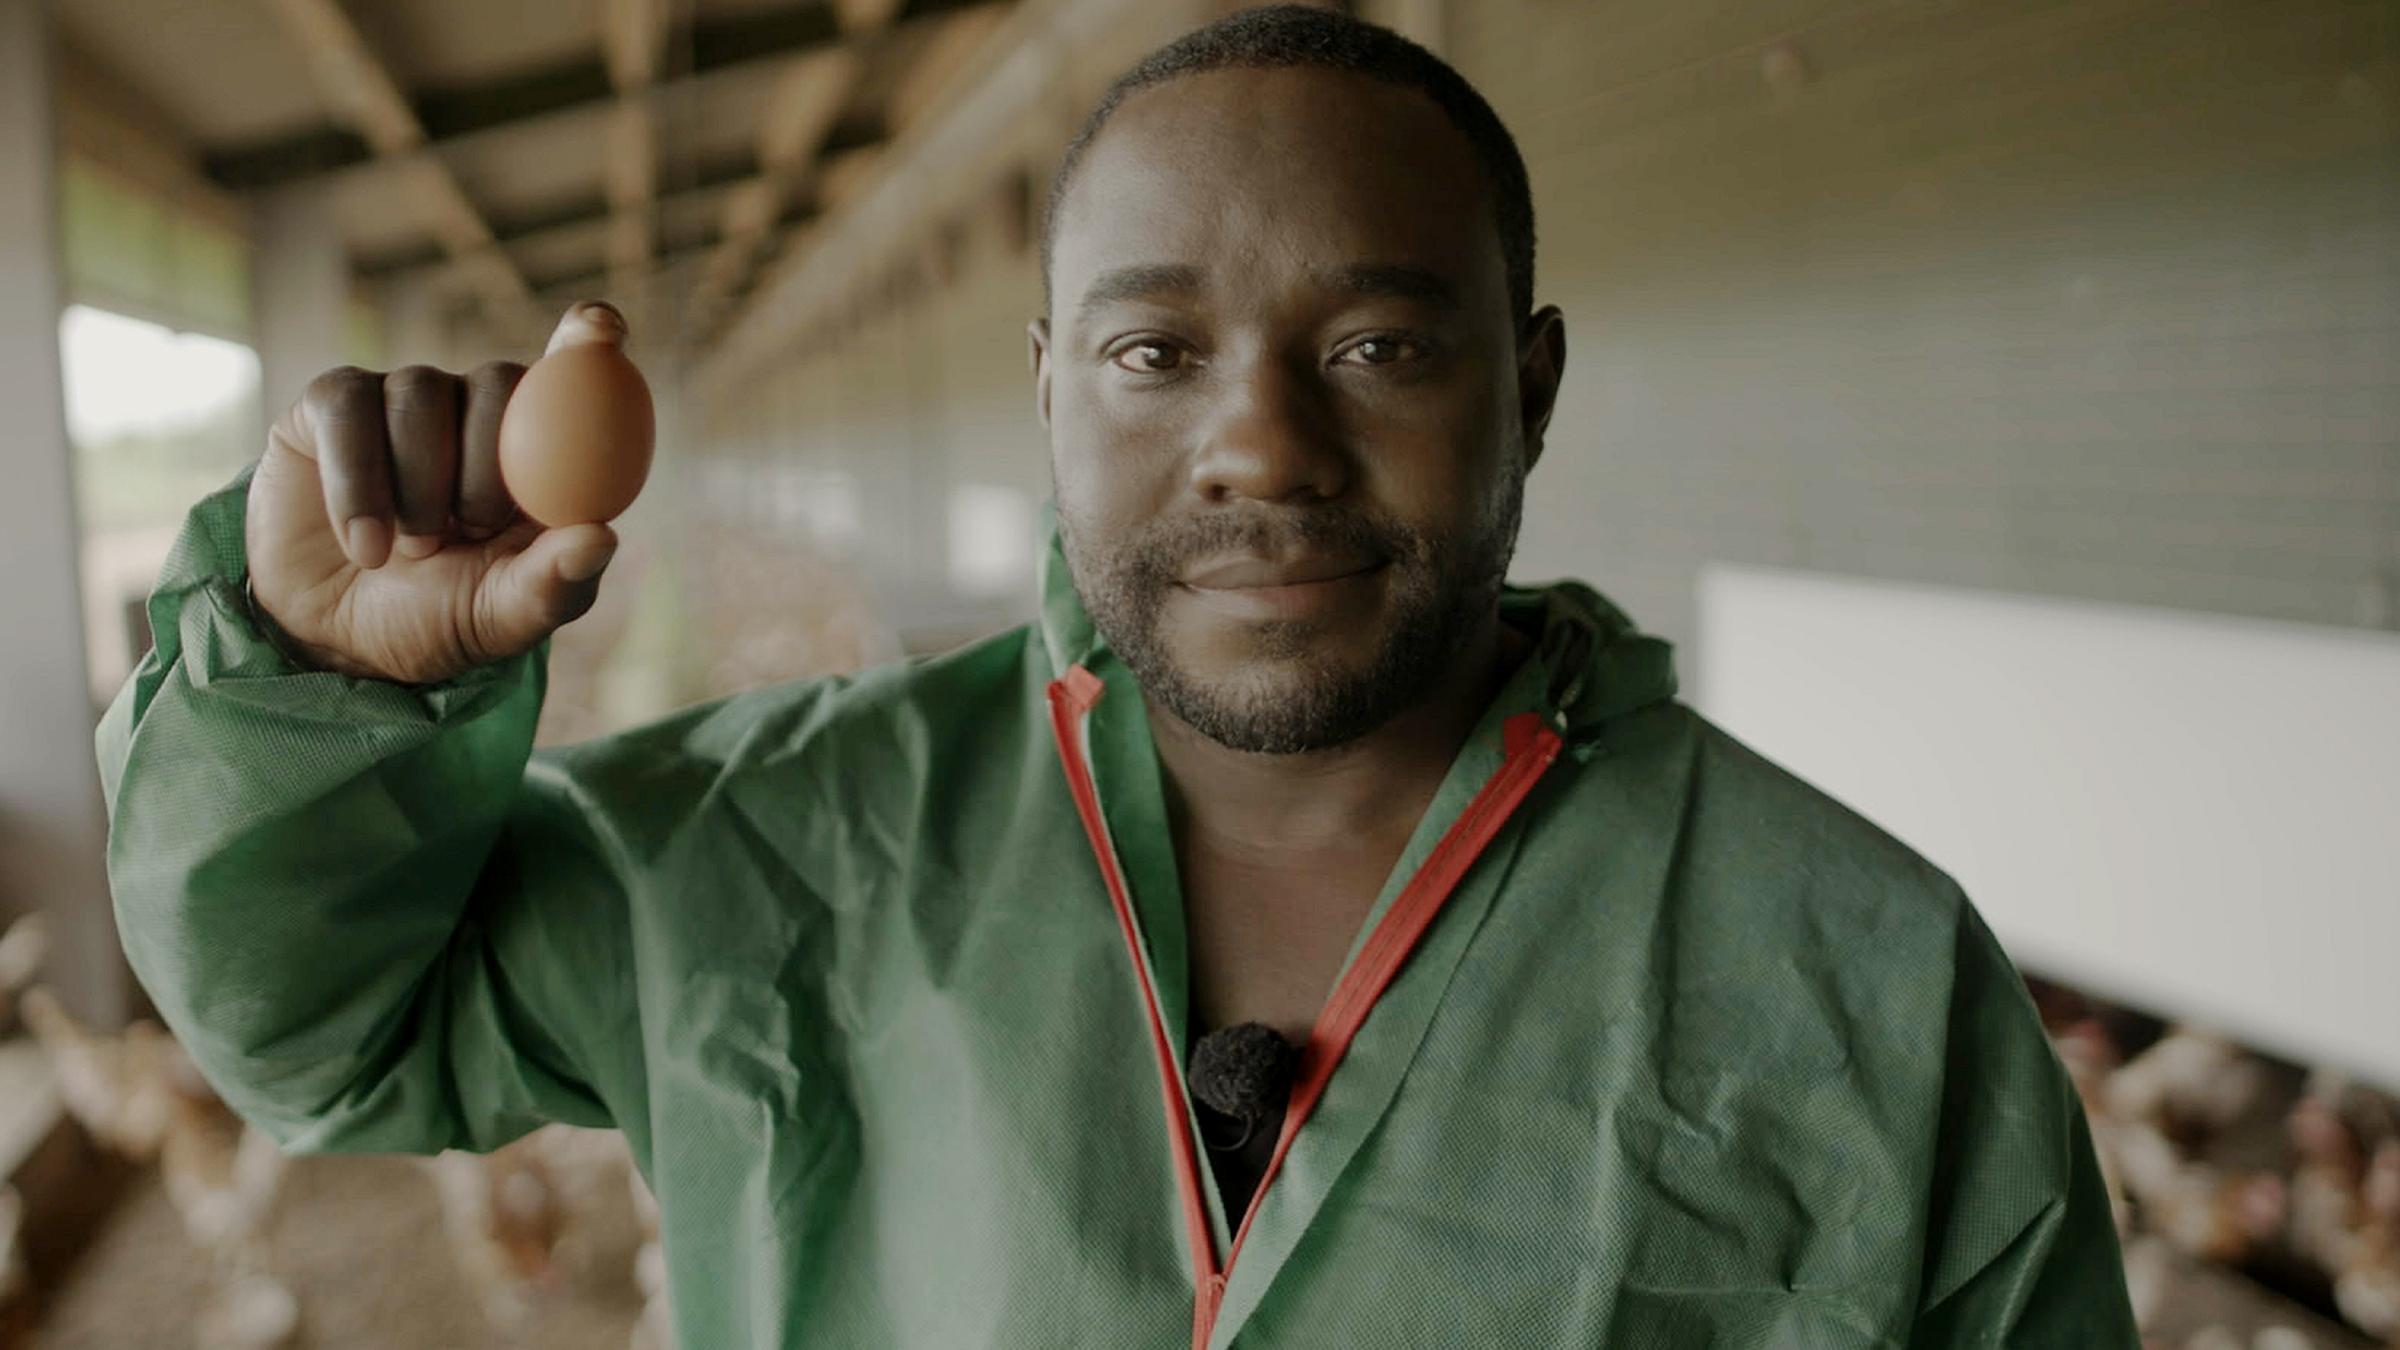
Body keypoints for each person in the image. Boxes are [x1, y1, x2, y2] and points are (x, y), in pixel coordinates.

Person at [97, 6, 2137, 1347]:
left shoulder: (1866, 979)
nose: (1259, 443)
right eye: (1157, 355)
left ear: (1529, 388)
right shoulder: (773, 841)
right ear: (1051, 395)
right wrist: (308, 688)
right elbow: (329, 1031)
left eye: (1377, 347)